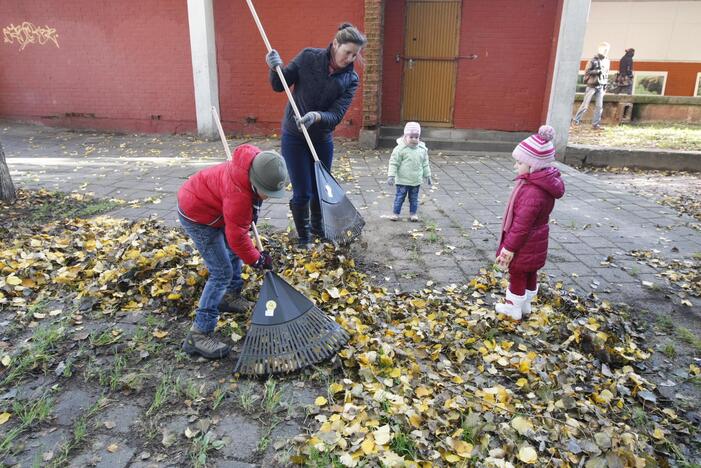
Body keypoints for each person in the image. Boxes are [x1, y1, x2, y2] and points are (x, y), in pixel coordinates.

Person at [177, 144, 289, 359]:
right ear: (255, 183)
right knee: (221, 272)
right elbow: (237, 237)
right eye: (267, 193)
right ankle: (199, 334)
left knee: (232, 252)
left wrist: (252, 251)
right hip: (198, 216)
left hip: (215, 205)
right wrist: (257, 260)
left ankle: (228, 297)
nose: (269, 197)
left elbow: (239, 231)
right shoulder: (239, 196)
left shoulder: (257, 164)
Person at [265, 23, 367, 248]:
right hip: (294, 137)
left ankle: (319, 230)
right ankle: (304, 239)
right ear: (336, 44)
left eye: (355, 55)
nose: (350, 58)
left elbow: (336, 115)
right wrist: (274, 68)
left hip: (321, 139)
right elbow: (279, 85)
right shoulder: (308, 57)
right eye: (347, 52)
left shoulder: (350, 79)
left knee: (320, 191)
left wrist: (316, 116)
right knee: (303, 191)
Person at [495, 125, 565, 321]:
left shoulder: (532, 192)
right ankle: (525, 305)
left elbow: (520, 226)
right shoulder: (542, 184)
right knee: (530, 271)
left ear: (533, 165)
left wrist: (509, 248)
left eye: (519, 162)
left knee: (517, 271)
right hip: (537, 239)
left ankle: (513, 309)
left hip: (525, 242)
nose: (515, 166)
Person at [386, 122, 432, 222]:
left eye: (417, 137)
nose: (414, 139)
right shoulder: (400, 149)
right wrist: (391, 176)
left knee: (414, 199)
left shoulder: (422, 149)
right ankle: (395, 213)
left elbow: (425, 163)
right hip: (402, 180)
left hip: (415, 180)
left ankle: (413, 213)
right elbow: (394, 163)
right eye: (411, 137)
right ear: (405, 136)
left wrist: (428, 175)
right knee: (399, 198)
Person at [572, 42, 611, 130]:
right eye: (605, 49)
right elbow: (587, 72)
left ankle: (595, 124)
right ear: (600, 49)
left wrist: (605, 86)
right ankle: (576, 121)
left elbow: (607, 73)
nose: (606, 51)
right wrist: (597, 71)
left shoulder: (607, 61)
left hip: (601, 86)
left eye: (607, 50)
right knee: (585, 105)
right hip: (592, 85)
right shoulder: (593, 60)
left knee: (599, 106)